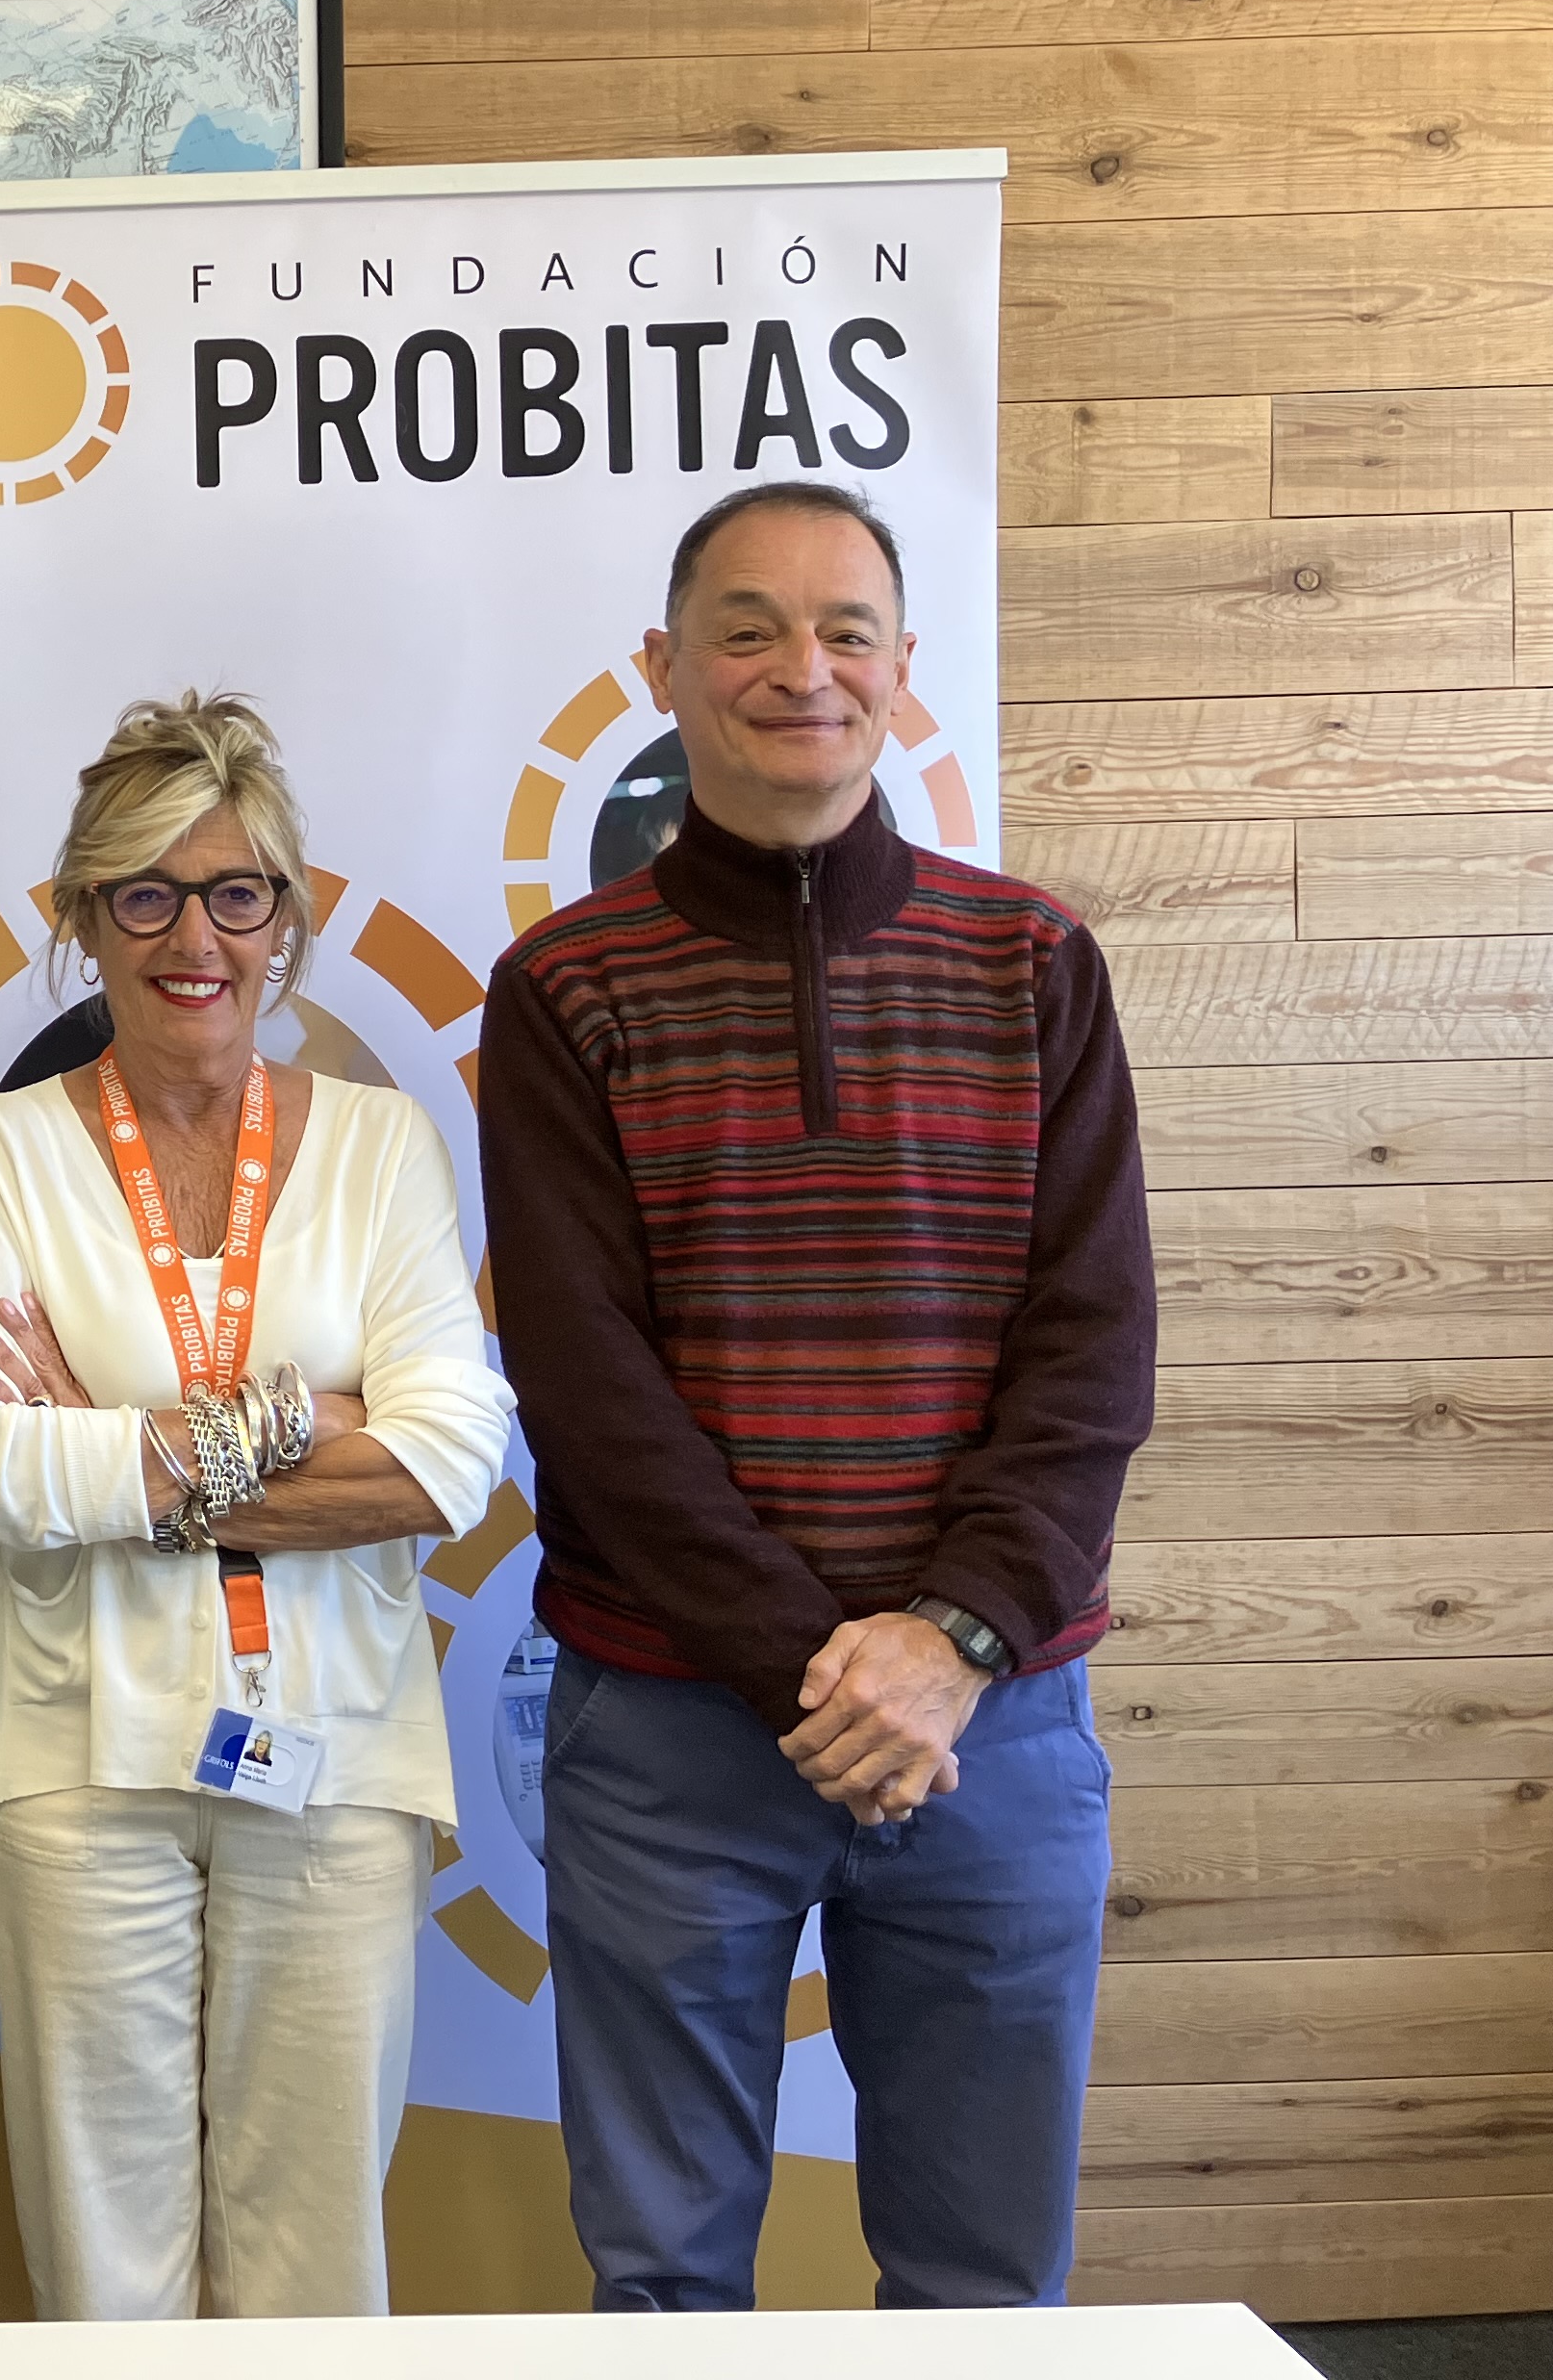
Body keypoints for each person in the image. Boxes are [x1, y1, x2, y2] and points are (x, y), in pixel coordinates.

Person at [479, 479, 1154, 2312]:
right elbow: (584, 1379)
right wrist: (825, 1669)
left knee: (982, 2288)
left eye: (847, 631)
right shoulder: (564, 988)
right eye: (749, 629)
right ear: (664, 666)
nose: (804, 669)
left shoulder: (1034, 962)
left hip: (993, 1720)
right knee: (665, 2286)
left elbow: (1094, 1348)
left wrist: (948, 1644)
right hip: (672, 1729)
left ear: (903, 667)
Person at [0, 691, 510, 2320]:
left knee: (315, 2272)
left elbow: (448, 1462)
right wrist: (298, 1423)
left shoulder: (383, 1147)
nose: (196, 937)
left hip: (333, 1765)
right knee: (107, 2278)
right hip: (74, 1765)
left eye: (236, 893)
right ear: (82, 917)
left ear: (286, 921)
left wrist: (125, 1460)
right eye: (147, 894)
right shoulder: (7, 1153)